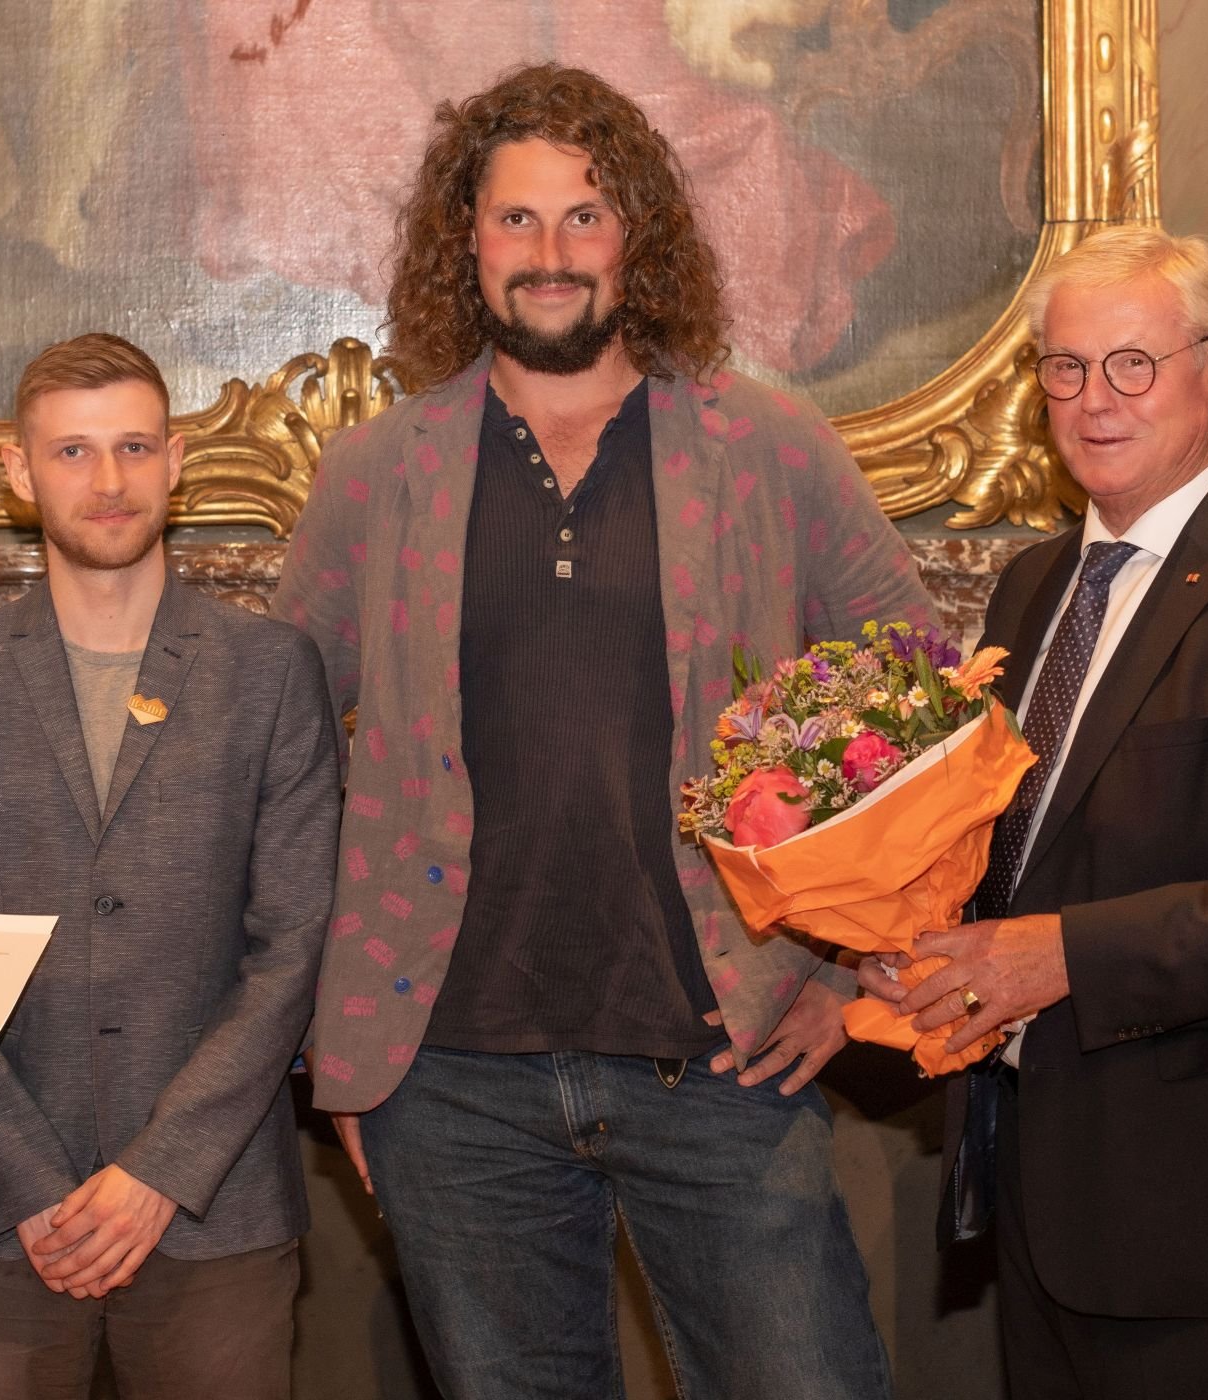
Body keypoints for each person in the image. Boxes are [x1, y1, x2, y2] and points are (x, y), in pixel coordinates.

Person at [270, 63, 930, 1400]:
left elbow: (921, 708)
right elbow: (280, 763)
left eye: (587, 216)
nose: (552, 255)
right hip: (447, 1082)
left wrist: (849, 979)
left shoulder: (771, 448)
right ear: (468, 243)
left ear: (640, 237)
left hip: (727, 1054)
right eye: (519, 221)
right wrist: (337, 1043)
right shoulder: (376, 476)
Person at [864, 226, 1208, 1399]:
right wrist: (916, 942)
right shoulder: (1034, 584)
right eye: (1065, 368)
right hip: (1043, 1199)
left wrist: (1056, 956)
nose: (1093, 399)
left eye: (1133, 364)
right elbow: (1022, 849)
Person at [0, 332, 339, 1399]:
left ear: (177, 462)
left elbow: (294, 947)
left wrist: (154, 1174)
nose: (109, 480)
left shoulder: (268, 672)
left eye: (134, 446)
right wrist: (36, 1180)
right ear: (18, 469)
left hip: (215, 1207)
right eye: (74, 451)